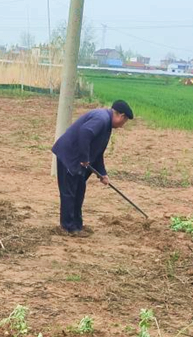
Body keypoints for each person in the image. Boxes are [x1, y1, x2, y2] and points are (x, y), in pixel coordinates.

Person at [51, 99, 134, 236]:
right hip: (70, 156)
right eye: (124, 122)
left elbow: (97, 152)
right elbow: (85, 133)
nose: (122, 126)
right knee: (69, 192)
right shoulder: (101, 119)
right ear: (121, 116)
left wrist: (102, 173)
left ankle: (77, 226)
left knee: (79, 191)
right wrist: (84, 158)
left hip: (78, 159)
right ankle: (67, 227)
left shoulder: (106, 124)